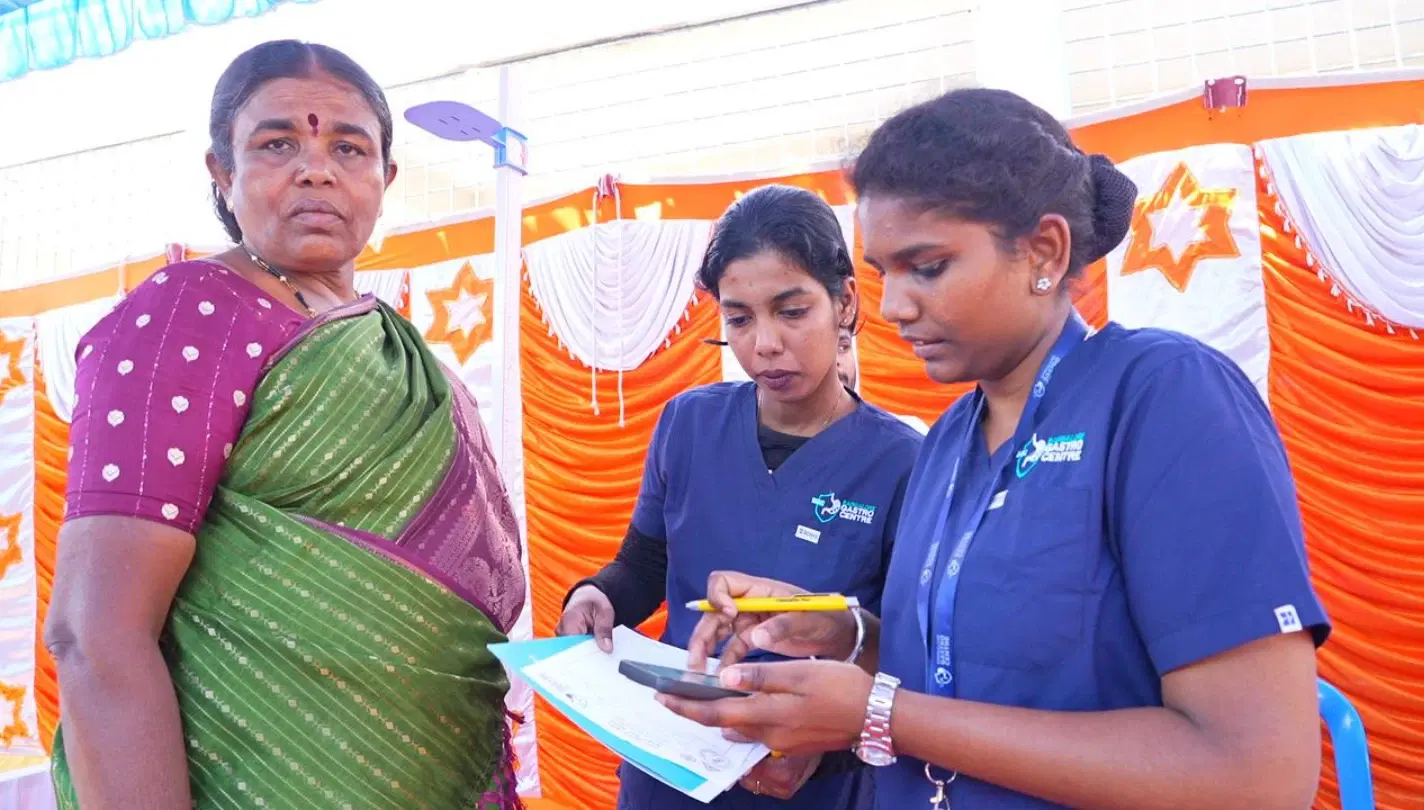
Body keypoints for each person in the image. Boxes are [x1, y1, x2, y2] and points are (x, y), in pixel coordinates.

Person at [660, 88, 1331, 810]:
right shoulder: (948, 440)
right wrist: (846, 632)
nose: (893, 308)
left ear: (1043, 251)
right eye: (887, 273)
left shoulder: (1164, 398)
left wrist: (883, 715)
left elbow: (1258, 776)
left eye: (929, 266)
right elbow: (960, 671)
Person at [44, 40, 527, 810]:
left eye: (348, 147)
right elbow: (94, 634)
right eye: (277, 144)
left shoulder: (397, 346)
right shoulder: (188, 316)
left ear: (385, 177)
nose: (316, 169)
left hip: (441, 772)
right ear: (221, 172)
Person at [555, 184, 922, 808]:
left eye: (792, 310)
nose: (765, 344)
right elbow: (648, 563)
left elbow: (900, 646)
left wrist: (819, 746)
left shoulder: (902, 461)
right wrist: (599, 595)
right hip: (672, 759)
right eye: (739, 318)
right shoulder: (687, 424)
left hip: (811, 777)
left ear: (847, 303)